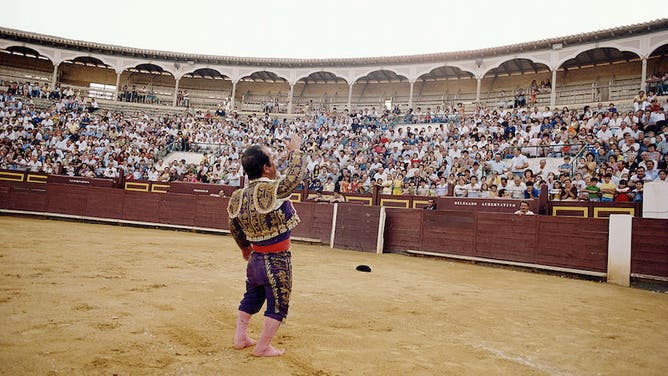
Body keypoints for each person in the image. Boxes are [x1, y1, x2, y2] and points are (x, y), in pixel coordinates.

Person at [227, 136, 306, 357]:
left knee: (252, 295)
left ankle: (240, 337)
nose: (275, 162)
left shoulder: (238, 196)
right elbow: (293, 179)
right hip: (277, 257)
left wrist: (244, 248)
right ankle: (262, 346)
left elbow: (233, 226)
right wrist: (296, 152)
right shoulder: (271, 190)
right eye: (272, 159)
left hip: (254, 259)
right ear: (266, 167)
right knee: (279, 301)